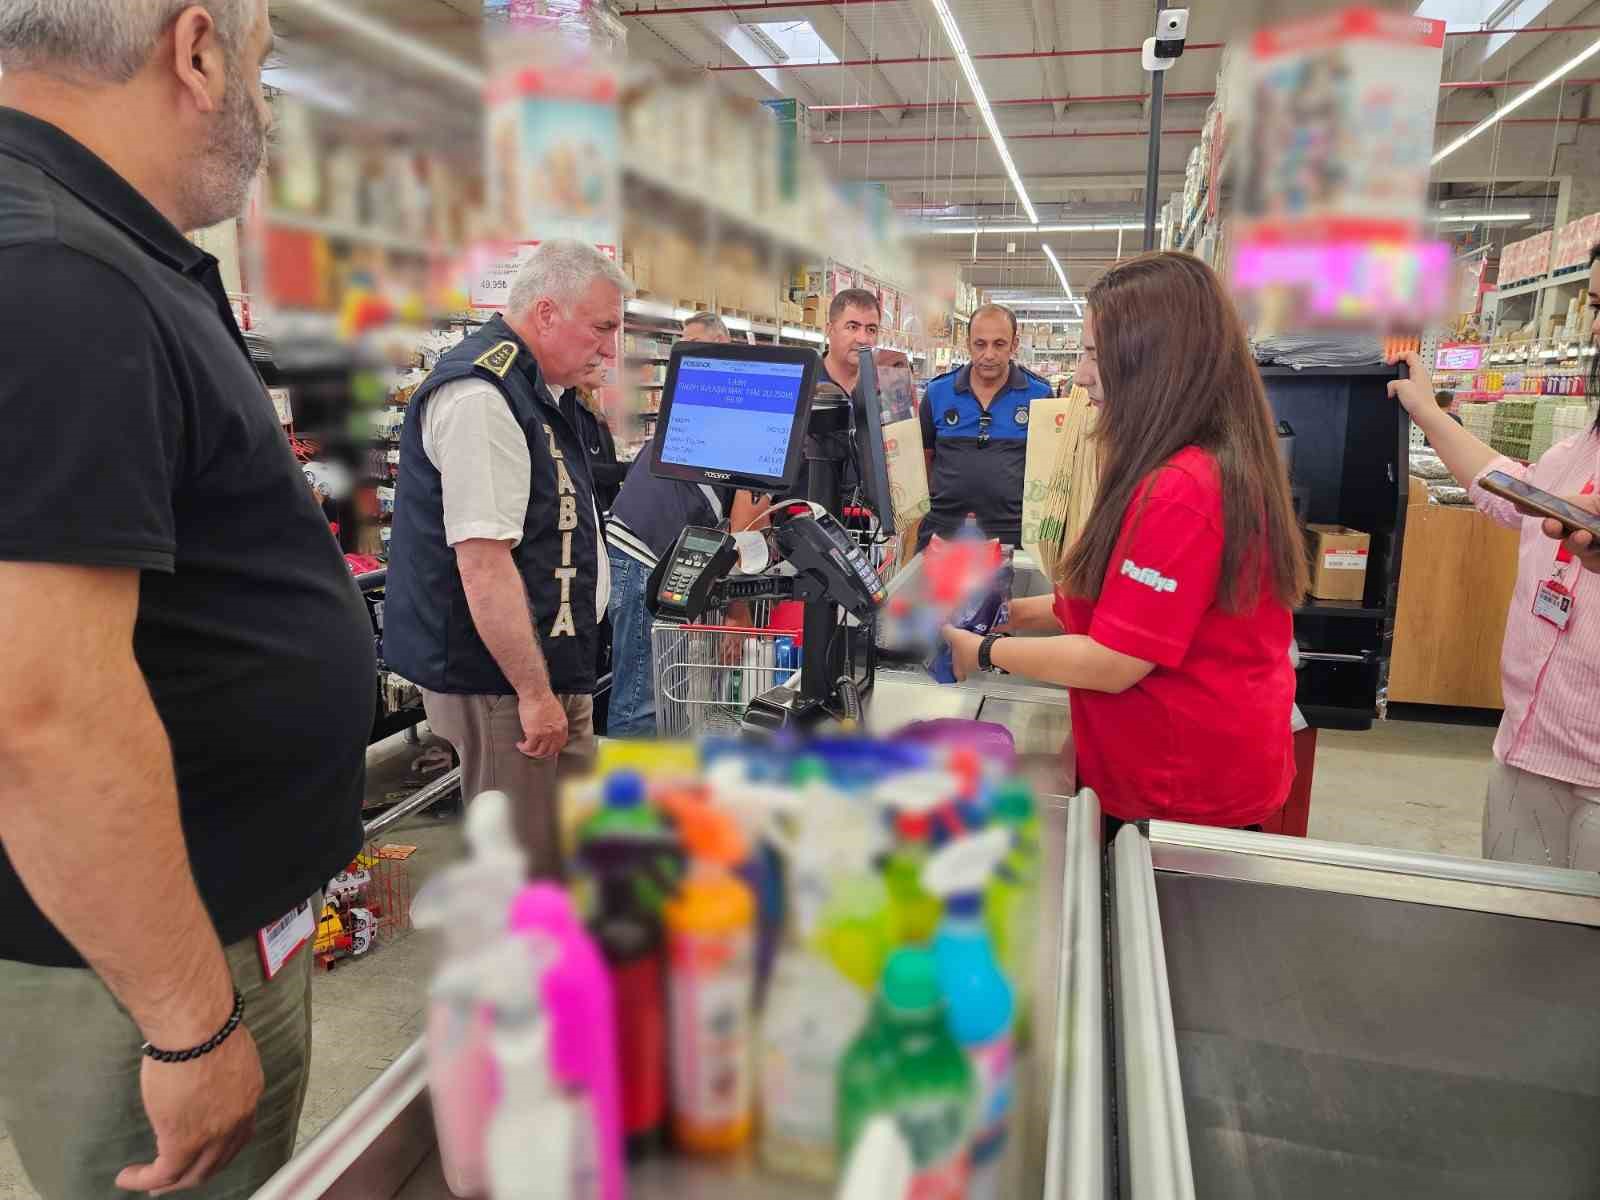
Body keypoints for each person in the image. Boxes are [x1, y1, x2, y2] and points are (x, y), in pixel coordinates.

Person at [0, 3, 377, 1196]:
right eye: (263, 69)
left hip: (189, 925)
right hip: (142, 967)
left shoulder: (102, 250)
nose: (262, 107)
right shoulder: (58, 275)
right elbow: (38, 714)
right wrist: (188, 1023)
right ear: (197, 48)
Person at [943, 253, 1306, 830]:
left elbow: (1115, 660)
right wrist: (1003, 613)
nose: (1082, 376)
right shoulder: (1184, 462)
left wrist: (983, 652)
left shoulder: (1182, 490)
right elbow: (1123, 611)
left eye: (1093, 353)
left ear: (1150, 361)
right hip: (1176, 774)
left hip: (1180, 794)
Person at [385, 240, 629, 878]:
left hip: (552, 661)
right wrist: (533, 692)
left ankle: (561, 967)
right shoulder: (483, 397)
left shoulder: (542, 389)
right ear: (546, 313)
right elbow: (483, 564)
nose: (611, 349)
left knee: (561, 848)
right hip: (503, 682)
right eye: (602, 328)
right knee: (516, 869)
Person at [1387, 240, 1600, 867]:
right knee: (1515, 941)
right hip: (1528, 748)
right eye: (1595, 304)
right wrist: (1429, 413)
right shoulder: (1584, 442)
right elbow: (1512, 495)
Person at [604, 313, 771, 736]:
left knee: (659, 690)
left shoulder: (722, 408)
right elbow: (743, 529)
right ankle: (629, 795)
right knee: (643, 694)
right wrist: (738, 610)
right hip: (642, 552)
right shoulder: (746, 419)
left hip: (649, 549)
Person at [919, 303, 1053, 549]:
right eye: (980, 344)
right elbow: (924, 459)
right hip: (943, 532)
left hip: (1013, 534)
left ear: (1014, 344)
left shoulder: (1040, 395)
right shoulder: (937, 392)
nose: (989, 354)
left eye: (999, 344)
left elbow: (1047, 470)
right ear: (967, 343)